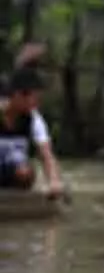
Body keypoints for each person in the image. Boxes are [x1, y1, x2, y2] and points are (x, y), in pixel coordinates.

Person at [0, 67, 65, 198]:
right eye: (35, 99)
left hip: (15, 173)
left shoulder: (34, 119)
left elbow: (47, 155)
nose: (37, 104)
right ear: (18, 95)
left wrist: (54, 181)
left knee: (26, 173)